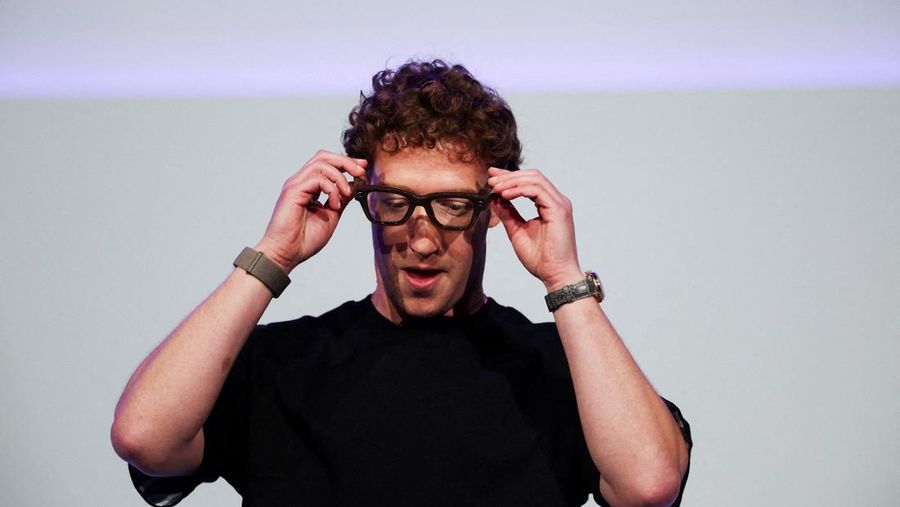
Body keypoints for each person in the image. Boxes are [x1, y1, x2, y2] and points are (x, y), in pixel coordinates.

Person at [111, 59, 692, 507]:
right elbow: (144, 438)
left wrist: (565, 279)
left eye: (452, 205)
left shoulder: (557, 369)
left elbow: (647, 487)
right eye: (396, 202)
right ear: (363, 200)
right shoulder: (282, 365)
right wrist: (274, 254)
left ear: (494, 207)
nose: (421, 238)